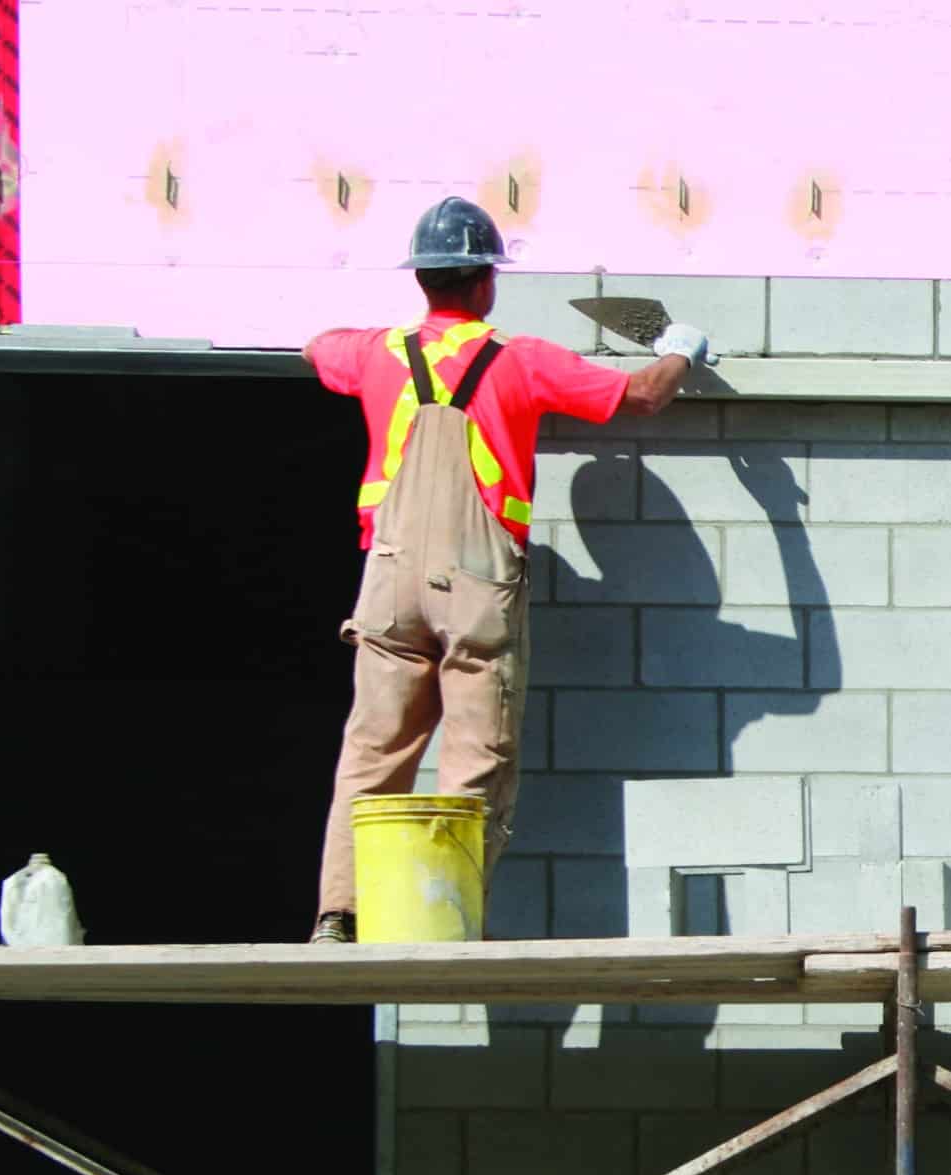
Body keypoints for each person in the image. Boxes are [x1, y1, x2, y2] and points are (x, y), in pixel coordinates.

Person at [301, 196, 708, 943]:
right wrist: (682, 348)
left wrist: (367, 340)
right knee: (475, 755)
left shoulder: (373, 354)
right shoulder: (518, 360)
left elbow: (313, 348)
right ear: (486, 283)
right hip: (475, 587)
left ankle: (341, 911)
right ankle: (438, 917)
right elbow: (644, 396)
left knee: (371, 752)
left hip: (388, 583)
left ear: (421, 281)